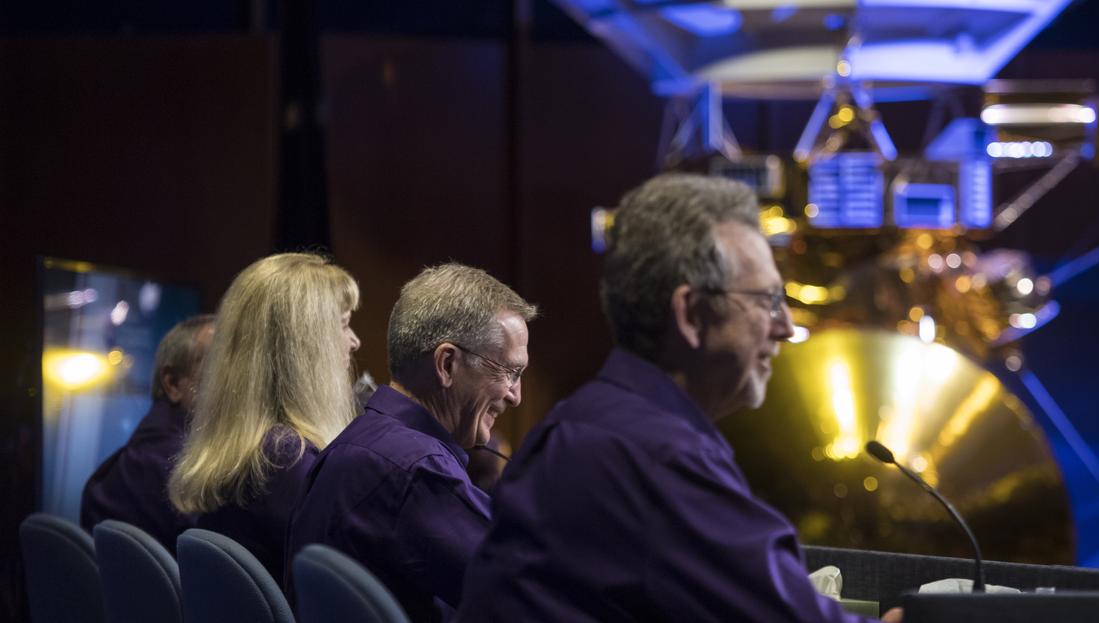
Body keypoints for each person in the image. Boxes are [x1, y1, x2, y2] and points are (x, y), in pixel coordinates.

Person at [457, 173, 896, 622]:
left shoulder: (582, 424)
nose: (785, 325)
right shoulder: (657, 458)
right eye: (767, 299)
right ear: (690, 315)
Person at [288, 263, 536, 622]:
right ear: (447, 364)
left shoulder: (358, 441)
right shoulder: (416, 471)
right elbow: (530, 595)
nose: (516, 396)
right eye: (510, 372)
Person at [168, 253, 361, 585]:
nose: (355, 341)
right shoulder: (288, 461)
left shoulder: (248, 452)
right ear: (305, 348)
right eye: (343, 324)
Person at [80, 314, 214, 551]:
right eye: (219, 368)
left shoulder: (115, 469)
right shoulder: (189, 478)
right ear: (172, 383)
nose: (237, 386)